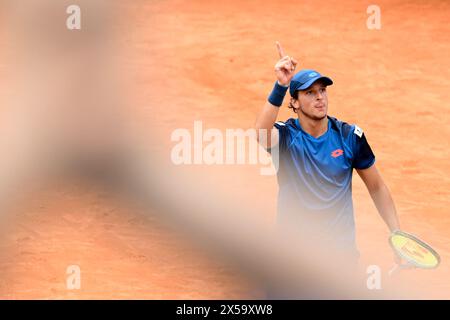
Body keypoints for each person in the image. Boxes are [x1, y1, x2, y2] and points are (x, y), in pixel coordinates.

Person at [255, 42, 401, 264]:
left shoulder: (349, 136)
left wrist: (397, 235)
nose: (320, 97)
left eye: (322, 90)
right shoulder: (287, 138)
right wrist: (280, 86)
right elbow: (261, 135)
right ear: (294, 102)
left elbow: (377, 187)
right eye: (310, 92)